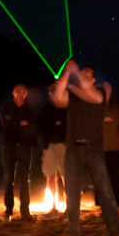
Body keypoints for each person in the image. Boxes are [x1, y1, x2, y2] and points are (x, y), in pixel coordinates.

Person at [52, 61, 119, 236]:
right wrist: (66, 73)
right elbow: (58, 99)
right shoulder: (73, 94)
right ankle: (72, 231)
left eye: (89, 73)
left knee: (105, 190)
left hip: (94, 148)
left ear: (93, 79)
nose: (84, 74)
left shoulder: (99, 91)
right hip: (73, 149)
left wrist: (74, 77)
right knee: (72, 192)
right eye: (83, 72)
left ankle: (116, 234)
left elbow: (93, 97)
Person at [0, 84, 37, 222]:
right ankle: (8, 210)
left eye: (22, 91)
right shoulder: (6, 107)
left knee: (24, 180)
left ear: (26, 94)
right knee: (9, 178)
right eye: (17, 90)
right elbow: (6, 125)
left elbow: (33, 127)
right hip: (9, 146)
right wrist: (20, 124)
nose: (20, 93)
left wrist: (18, 125)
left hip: (25, 146)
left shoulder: (29, 109)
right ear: (13, 92)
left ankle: (25, 211)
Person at [38, 85, 68, 217]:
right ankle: (52, 207)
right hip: (49, 145)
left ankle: (69, 207)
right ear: (50, 94)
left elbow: (67, 125)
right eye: (52, 93)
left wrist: (56, 125)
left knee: (66, 176)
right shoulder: (45, 109)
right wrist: (54, 124)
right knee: (50, 177)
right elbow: (41, 126)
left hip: (63, 144)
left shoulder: (65, 107)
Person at [100, 82, 119, 214]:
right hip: (100, 146)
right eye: (103, 87)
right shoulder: (97, 103)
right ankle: (104, 206)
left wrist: (106, 120)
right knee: (102, 177)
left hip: (115, 146)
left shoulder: (116, 103)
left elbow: (116, 119)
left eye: (108, 86)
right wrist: (104, 119)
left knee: (116, 176)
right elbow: (96, 120)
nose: (106, 88)